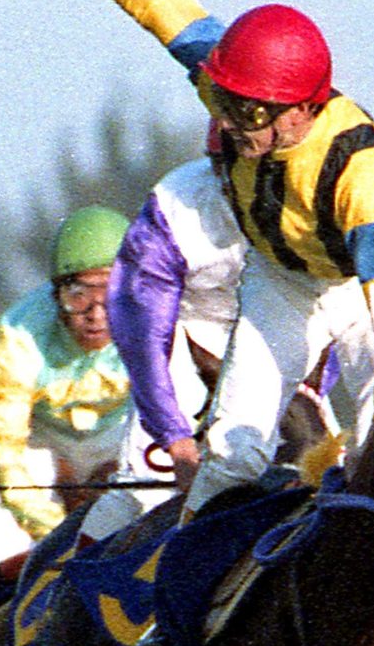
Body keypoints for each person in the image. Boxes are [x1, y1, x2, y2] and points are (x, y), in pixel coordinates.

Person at [9, 0, 374, 515]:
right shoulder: (236, 86)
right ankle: (186, 611)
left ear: (302, 109)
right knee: (231, 457)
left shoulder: (366, 180)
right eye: (228, 102)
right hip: (280, 285)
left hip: (365, 299)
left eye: (254, 115)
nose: (233, 124)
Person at [0, 207, 135, 615]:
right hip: (34, 446)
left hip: (121, 436)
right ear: (56, 296)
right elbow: (4, 451)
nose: (96, 313)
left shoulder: (156, 321)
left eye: (109, 292)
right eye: (78, 296)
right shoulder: (19, 336)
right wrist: (54, 532)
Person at [80, 156, 253, 544]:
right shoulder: (176, 207)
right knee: (143, 490)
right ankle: (65, 600)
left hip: (261, 328)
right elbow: (146, 340)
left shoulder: (311, 192)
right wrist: (175, 440)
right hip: (178, 325)